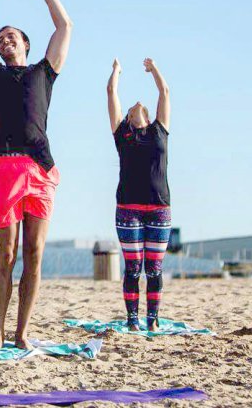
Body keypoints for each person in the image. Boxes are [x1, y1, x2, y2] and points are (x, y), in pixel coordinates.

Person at [0, 0, 72, 351]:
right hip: (4, 168)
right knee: (7, 255)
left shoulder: (43, 72)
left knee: (34, 254)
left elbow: (64, 27)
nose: (4, 41)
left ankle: (21, 332)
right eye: (0, 40)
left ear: (26, 43)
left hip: (40, 169)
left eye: (11, 36)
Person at [107, 57, 171, 331]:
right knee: (133, 268)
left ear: (146, 114)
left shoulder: (159, 130)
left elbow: (165, 93)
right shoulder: (122, 133)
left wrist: (154, 69)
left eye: (140, 104)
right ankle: (133, 322)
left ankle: (152, 321)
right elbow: (111, 94)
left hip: (159, 208)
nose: (137, 102)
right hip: (128, 209)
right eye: (131, 106)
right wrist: (116, 72)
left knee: (154, 269)